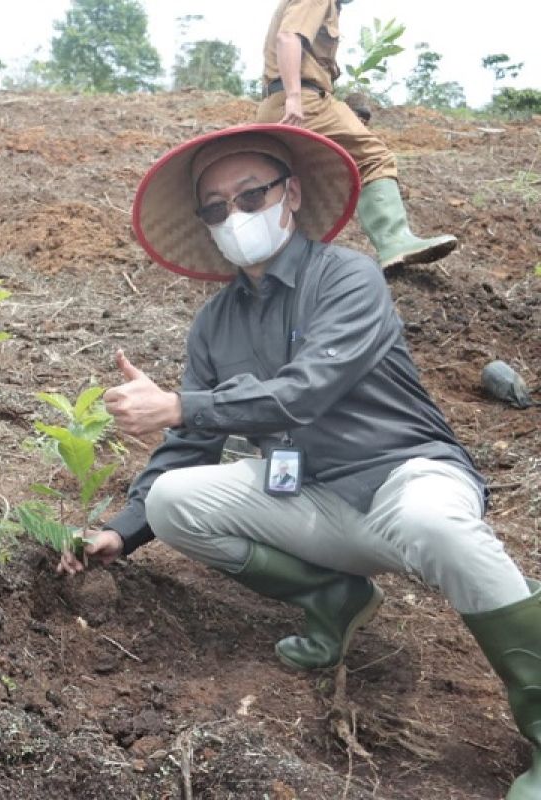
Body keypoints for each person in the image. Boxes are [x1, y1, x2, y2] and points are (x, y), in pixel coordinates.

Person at [59, 122, 541, 798]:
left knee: (440, 527)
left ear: (291, 195)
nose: (236, 216)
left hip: (401, 478)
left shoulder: (348, 275)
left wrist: (180, 404)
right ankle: (333, 596)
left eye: (250, 195)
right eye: (216, 207)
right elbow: (188, 448)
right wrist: (123, 528)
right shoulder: (215, 323)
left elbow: (304, 391)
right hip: (307, 497)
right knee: (173, 502)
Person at [256, 0, 457, 270]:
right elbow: (288, 37)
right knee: (373, 158)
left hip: (276, 102)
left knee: (299, 181)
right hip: (304, 101)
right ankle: (394, 242)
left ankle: (275, 258)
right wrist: (294, 97)